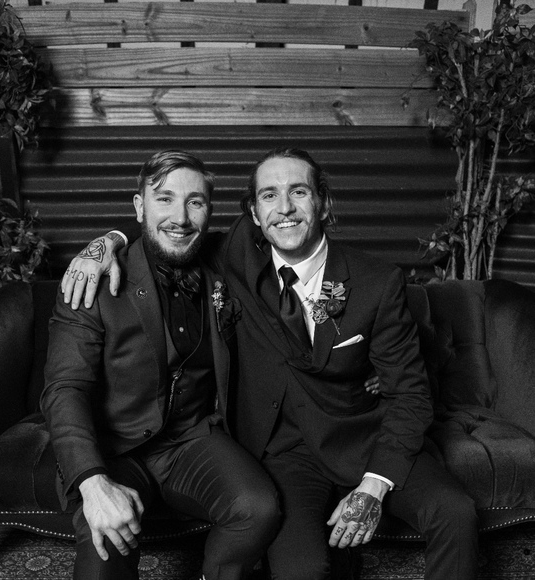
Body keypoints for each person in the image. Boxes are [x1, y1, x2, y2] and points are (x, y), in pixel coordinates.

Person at [62, 148, 479, 580]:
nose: (284, 208)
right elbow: (169, 230)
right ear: (254, 216)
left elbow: (410, 392)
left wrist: (375, 483)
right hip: (286, 456)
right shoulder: (235, 258)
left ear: (323, 204)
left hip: (364, 440)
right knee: (300, 570)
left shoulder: (377, 281)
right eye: (269, 196)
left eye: (298, 192)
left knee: (456, 513)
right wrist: (108, 241)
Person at [41, 150, 281, 580]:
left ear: (210, 211)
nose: (181, 218)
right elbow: (64, 388)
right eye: (165, 199)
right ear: (139, 207)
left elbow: (282, 220)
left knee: (258, 508)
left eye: (195, 202)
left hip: (192, 438)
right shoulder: (90, 279)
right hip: (114, 449)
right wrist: (93, 482)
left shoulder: (223, 259)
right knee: (102, 561)